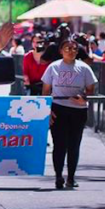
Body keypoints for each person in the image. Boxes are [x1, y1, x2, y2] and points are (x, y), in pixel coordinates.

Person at [42, 38, 97, 190]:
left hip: (78, 111)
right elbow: (46, 91)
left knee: (74, 145)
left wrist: (84, 99)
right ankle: (58, 176)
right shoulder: (53, 67)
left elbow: (91, 90)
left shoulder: (84, 68)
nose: (71, 51)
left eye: (74, 49)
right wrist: (48, 110)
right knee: (59, 144)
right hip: (58, 109)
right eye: (67, 48)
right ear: (61, 51)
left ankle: (71, 178)